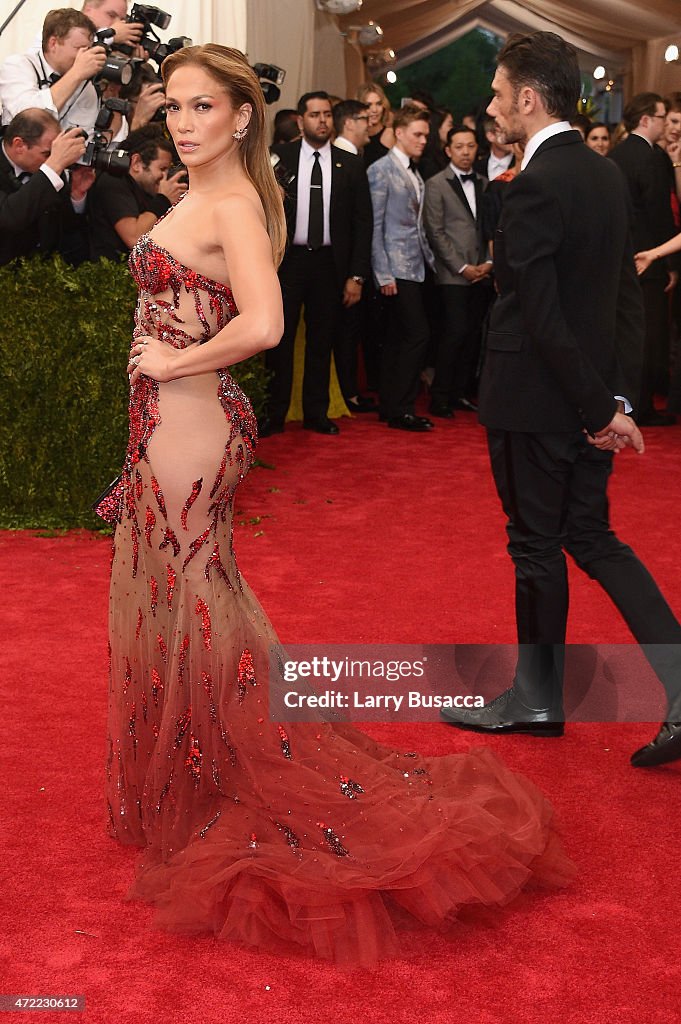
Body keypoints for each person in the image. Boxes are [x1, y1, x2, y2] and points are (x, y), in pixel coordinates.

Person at [98, 42, 572, 965]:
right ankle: (197, 772)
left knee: (194, 599)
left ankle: (219, 775)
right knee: (191, 595)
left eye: (203, 108)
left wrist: (173, 362)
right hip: (172, 422)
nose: (184, 124)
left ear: (242, 117)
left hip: (191, 423)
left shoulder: (230, 200)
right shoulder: (204, 193)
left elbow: (266, 323)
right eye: (175, 109)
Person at [440, 31, 681, 769]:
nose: (488, 107)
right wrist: (617, 397)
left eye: (494, 93)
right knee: (593, 539)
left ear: (525, 97)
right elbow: (622, 297)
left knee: (536, 547)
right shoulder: (604, 173)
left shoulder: (537, 181)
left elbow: (536, 311)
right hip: (582, 395)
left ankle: (536, 701)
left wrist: (597, 408)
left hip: (538, 400)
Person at [260, 90, 372, 435]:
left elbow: (362, 223)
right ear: (300, 120)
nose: (322, 121)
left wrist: (356, 275)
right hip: (289, 261)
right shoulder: (279, 157)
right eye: (315, 115)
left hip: (330, 264)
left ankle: (316, 413)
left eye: (326, 115)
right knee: (280, 339)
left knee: (322, 341)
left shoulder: (350, 164)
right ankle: (275, 413)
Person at [609, 93, 678, 426]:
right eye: (663, 117)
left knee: (626, 333)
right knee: (649, 336)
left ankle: (627, 402)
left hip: (621, 257)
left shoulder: (616, 154)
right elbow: (660, 214)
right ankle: (643, 407)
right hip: (649, 258)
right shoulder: (650, 157)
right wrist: (671, 263)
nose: (667, 123)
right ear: (647, 120)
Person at [367, 104, 436, 432]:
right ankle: (401, 407)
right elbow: (375, 225)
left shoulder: (412, 170)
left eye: (426, 135)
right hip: (395, 268)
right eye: (417, 134)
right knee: (416, 335)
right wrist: (383, 273)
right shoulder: (381, 169)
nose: (424, 140)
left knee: (399, 338)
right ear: (399, 133)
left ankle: (393, 407)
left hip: (415, 265)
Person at [423, 124, 493, 418]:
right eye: (459, 147)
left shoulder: (485, 182)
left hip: (483, 271)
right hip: (453, 274)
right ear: (448, 151)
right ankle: (440, 396)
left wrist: (488, 263)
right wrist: (462, 267)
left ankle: (459, 393)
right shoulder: (436, 183)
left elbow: (491, 227)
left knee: (473, 335)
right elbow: (435, 232)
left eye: (471, 146)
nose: (466, 152)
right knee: (454, 333)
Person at [0, 107, 94, 265]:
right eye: (47, 153)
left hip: (45, 273)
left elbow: (65, 228)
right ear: (19, 145)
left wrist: (76, 196)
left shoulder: (50, 170)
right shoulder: (50, 168)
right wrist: (52, 164)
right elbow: (9, 218)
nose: (55, 160)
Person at [88, 124, 186, 260]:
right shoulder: (113, 182)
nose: (164, 177)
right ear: (137, 163)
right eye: (162, 168)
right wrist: (163, 199)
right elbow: (134, 238)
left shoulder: (147, 190)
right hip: (107, 275)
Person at [0, 8, 107, 132]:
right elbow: (29, 120)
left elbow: (83, 135)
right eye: (79, 48)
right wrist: (75, 74)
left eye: (88, 49)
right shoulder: (17, 65)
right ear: (53, 43)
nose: (84, 56)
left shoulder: (85, 87)